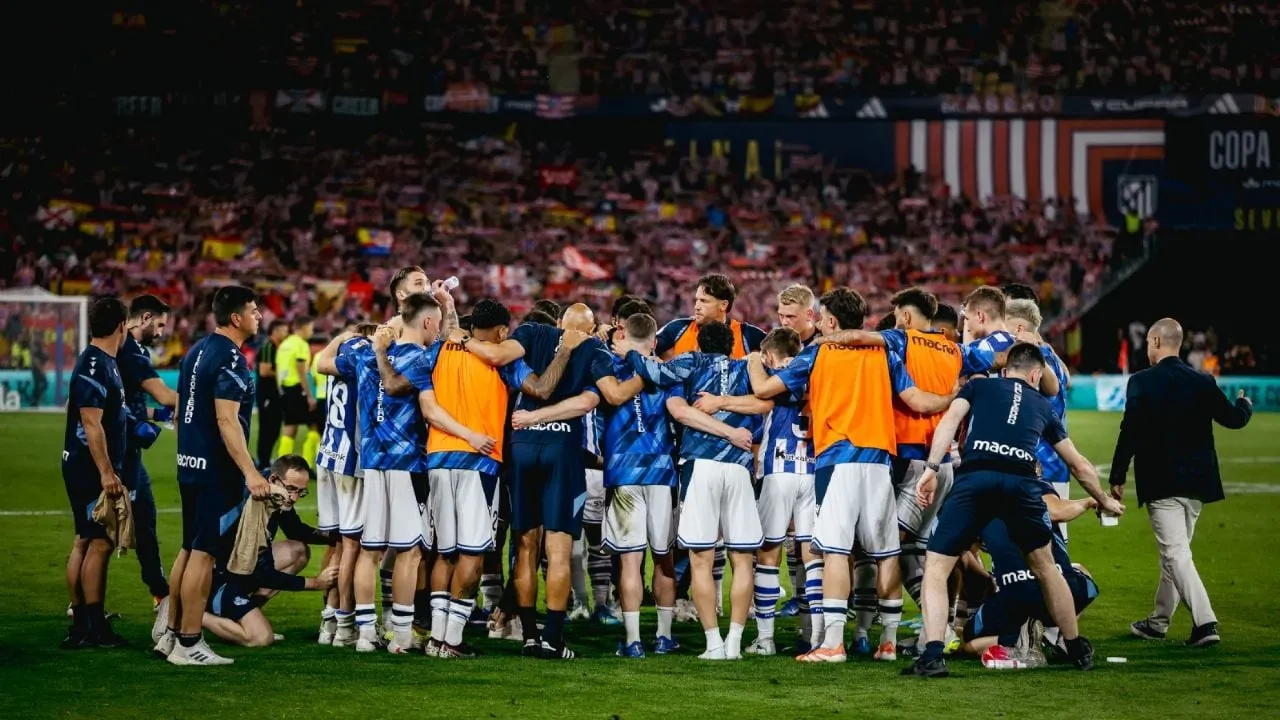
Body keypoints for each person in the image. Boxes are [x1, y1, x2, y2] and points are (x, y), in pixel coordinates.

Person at [752, 288, 952, 663]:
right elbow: (917, 401)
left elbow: (765, 388)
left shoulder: (816, 352)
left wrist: (751, 359)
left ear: (829, 320)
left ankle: (832, 644)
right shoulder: (886, 352)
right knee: (886, 553)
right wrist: (951, 398)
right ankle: (888, 643)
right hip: (879, 460)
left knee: (833, 552)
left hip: (838, 459)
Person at [906, 342, 1125, 678]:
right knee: (1047, 567)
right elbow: (1077, 463)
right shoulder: (1043, 405)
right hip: (1021, 484)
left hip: (976, 478)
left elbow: (950, 421)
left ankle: (933, 655)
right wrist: (1105, 499)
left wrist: (932, 468)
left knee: (936, 566)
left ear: (1006, 370)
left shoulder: (979, 385)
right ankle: (1076, 645)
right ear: (1036, 374)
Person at [465, 305, 606, 660]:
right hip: (563, 450)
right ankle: (553, 639)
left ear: (560, 323)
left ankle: (528, 635)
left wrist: (460, 335)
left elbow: (498, 355)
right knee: (558, 549)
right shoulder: (593, 349)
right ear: (589, 330)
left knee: (525, 543)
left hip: (521, 447)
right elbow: (588, 401)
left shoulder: (529, 332)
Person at [629, 320, 772, 660]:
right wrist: (731, 417)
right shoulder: (744, 367)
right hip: (739, 469)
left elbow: (658, 378)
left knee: (701, 561)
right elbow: (765, 403)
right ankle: (736, 642)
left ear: (699, 342)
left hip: (700, 466)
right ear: (731, 344)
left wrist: (630, 352)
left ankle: (713, 644)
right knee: (743, 560)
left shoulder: (691, 362)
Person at [1111, 318, 1252, 648]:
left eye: (1148, 342)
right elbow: (1233, 419)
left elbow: (1129, 431)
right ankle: (1158, 622)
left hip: (1162, 481)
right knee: (1175, 555)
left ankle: (1205, 622)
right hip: (1199, 484)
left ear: (1158, 343)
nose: (1146, 348)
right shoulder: (1202, 380)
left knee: (1175, 554)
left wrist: (1118, 477)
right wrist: (1244, 404)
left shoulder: (1142, 382)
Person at [159, 285, 269, 666]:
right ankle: (189, 643)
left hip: (190, 463)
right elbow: (227, 419)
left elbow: (181, 410)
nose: (260, 317)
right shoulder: (232, 359)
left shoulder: (197, 350)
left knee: (189, 549)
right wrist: (251, 473)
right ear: (236, 318)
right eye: (254, 311)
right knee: (204, 556)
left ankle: (171, 635)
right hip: (216, 471)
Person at [711, 327, 817, 657]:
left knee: (768, 554)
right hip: (812, 469)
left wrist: (755, 360)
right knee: (811, 556)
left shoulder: (773, 375)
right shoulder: (815, 373)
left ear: (770, 356)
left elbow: (759, 397)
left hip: (779, 471)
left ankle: (767, 639)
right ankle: (814, 637)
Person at [358, 294, 444, 654]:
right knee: (410, 551)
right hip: (406, 462)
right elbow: (394, 386)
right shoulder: (423, 359)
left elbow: (326, 362)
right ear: (426, 322)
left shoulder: (362, 354)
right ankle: (402, 636)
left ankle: (364, 633)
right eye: (436, 322)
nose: (437, 329)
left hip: (372, 462)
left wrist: (378, 344)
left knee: (371, 550)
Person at [593, 313, 678, 657]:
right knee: (664, 560)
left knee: (629, 562)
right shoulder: (667, 373)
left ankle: (632, 641)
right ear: (655, 341)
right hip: (661, 473)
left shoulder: (607, 369)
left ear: (623, 335)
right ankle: (663, 636)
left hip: (624, 473)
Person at [203, 455, 340, 647]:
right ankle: (192, 613)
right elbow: (266, 576)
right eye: (291, 489)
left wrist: (338, 536)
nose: (293, 497)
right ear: (274, 479)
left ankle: (246, 612)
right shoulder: (254, 504)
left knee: (298, 551)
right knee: (260, 638)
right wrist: (315, 583)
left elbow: (295, 530)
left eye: (301, 492)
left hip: (237, 571)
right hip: (217, 581)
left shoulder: (274, 493)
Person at [962, 482, 1101, 669]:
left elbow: (963, 553)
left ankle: (1022, 638)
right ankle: (1058, 635)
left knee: (969, 644)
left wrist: (987, 579)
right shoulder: (1037, 488)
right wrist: (1089, 501)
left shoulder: (979, 497)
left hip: (1015, 597)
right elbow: (1057, 512)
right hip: (1062, 589)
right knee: (1082, 575)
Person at [61, 296, 130, 650]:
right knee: (98, 543)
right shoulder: (94, 365)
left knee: (84, 541)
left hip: (82, 465)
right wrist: (106, 471)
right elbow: (91, 424)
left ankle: (83, 623)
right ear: (121, 325)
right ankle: (92, 627)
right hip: (89, 468)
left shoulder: (102, 361)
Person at [117, 295, 180, 640]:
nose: (161, 331)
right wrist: (191, 405)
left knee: (140, 520)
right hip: (120, 454)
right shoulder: (130, 349)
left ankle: (82, 606)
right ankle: (160, 593)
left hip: (127, 451)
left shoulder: (122, 348)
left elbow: (133, 404)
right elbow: (162, 394)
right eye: (158, 324)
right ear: (143, 318)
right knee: (115, 530)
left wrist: (158, 419)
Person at [311, 323, 377, 647]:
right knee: (354, 546)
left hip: (327, 455)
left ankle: (327, 621)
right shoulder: (364, 355)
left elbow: (320, 360)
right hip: (352, 461)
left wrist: (340, 337)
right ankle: (346, 624)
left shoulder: (337, 356)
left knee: (335, 543)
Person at [1005, 299, 1073, 534]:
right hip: (1057, 461)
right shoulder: (1049, 354)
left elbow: (1051, 389)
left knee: (1038, 545)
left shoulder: (1033, 361)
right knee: (1053, 546)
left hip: (1039, 465)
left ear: (1019, 329)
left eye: (1006, 327)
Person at [656, 273, 766, 360]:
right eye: (696, 300)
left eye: (704, 301)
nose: (696, 306)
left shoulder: (747, 335)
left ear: (723, 305)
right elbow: (646, 347)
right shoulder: (677, 328)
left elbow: (780, 355)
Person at [275, 316, 315, 461]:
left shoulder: (285, 344)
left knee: (290, 427)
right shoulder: (301, 345)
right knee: (315, 426)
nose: (311, 331)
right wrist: (310, 395)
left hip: (285, 389)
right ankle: (309, 463)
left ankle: (281, 462)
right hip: (298, 388)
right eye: (311, 328)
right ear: (304, 328)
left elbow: (280, 370)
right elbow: (302, 371)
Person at [255, 320, 289, 467]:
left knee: (274, 428)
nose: (286, 333)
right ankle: (262, 462)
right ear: (275, 331)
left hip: (274, 395)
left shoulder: (278, 347)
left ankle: (265, 459)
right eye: (283, 330)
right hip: (266, 394)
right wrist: (280, 374)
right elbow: (264, 370)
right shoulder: (268, 346)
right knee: (267, 428)